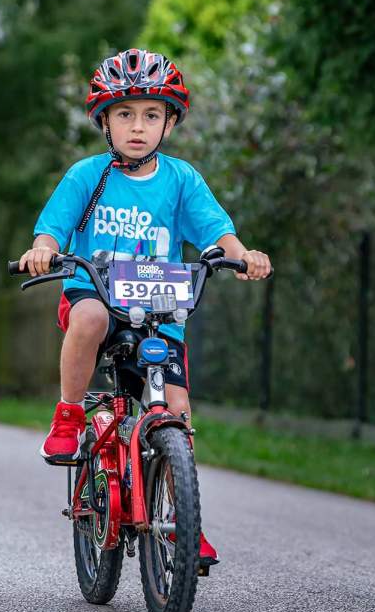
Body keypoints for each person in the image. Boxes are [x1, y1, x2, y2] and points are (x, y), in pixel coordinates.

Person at [18, 48, 272, 570]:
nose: (138, 126)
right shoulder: (88, 175)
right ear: (105, 122)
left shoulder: (181, 181)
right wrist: (43, 248)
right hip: (97, 295)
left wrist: (242, 255)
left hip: (159, 307)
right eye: (125, 114)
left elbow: (216, 233)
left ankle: (183, 523)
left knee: (176, 409)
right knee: (88, 318)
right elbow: (54, 226)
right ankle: (68, 415)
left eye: (152, 114)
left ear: (169, 124)